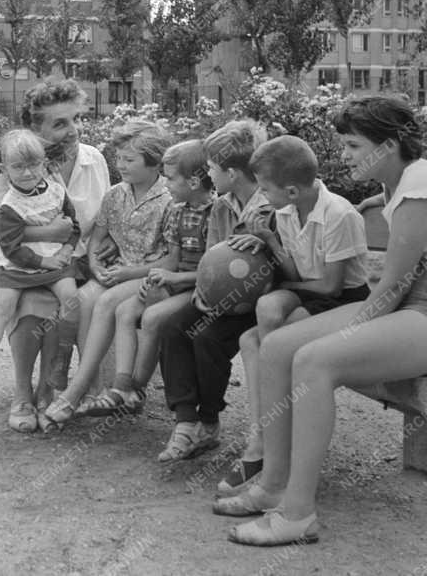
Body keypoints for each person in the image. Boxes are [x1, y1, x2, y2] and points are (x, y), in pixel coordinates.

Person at [214, 96, 427, 546]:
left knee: (314, 361)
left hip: (419, 315)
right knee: (275, 346)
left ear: (387, 146)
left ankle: (297, 513)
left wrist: (348, 332)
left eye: (352, 146)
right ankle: (272, 486)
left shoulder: (418, 185)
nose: (344, 155)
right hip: (402, 308)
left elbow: (390, 289)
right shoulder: (397, 186)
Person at [219, 135, 369, 497]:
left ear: (290, 190)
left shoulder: (338, 214)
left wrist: (282, 280)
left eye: (265, 188)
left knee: (257, 344)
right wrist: (268, 241)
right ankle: (263, 441)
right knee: (264, 313)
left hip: (341, 300)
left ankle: (269, 450)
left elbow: (331, 286)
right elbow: (296, 272)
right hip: (306, 290)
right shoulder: (286, 211)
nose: (262, 196)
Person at [0, 80, 111, 432]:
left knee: (77, 300)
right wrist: (46, 234)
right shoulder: (20, 165)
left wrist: (91, 257)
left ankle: (51, 388)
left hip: (76, 264)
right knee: (34, 305)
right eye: (60, 123)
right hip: (23, 263)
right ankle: (22, 393)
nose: (74, 129)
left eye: (77, 118)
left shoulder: (94, 161)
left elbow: (105, 223)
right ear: (37, 129)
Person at [152, 119, 273, 462]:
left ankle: (208, 423)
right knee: (174, 327)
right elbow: (212, 259)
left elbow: (277, 262)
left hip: (256, 302)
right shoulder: (222, 205)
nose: (209, 175)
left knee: (208, 338)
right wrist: (204, 294)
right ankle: (185, 421)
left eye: (212, 169)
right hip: (220, 297)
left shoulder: (269, 206)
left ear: (232, 173)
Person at [44, 121, 172, 423]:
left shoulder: (169, 199)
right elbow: (98, 238)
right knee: (82, 299)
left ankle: (74, 392)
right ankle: (95, 389)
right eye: (119, 158)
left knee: (104, 303)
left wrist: (127, 274)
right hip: (116, 272)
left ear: (154, 161)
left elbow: (171, 261)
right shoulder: (116, 194)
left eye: (130, 160)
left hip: (149, 275)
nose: (120, 165)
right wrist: (96, 264)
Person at [101, 139, 215, 416]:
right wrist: (158, 277)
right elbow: (173, 260)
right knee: (125, 311)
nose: (165, 184)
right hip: (176, 281)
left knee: (152, 318)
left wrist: (173, 280)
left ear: (193, 183)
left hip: (199, 287)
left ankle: (136, 387)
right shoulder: (176, 212)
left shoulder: (215, 214)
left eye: (171, 178)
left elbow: (212, 270)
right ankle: (121, 385)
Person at [0, 130, 81, 391]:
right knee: (5, 304)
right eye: (18, 167)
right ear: (4, 170)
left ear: (44, 163)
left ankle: (62, 360)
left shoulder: (56, 192)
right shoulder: (9, 204)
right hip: (20, 263)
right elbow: (10, 247)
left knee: (71, 299)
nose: (28, 173)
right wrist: (43, 261)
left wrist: (65, 252)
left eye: (33, 165)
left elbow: (74, 226)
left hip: (55, 258)